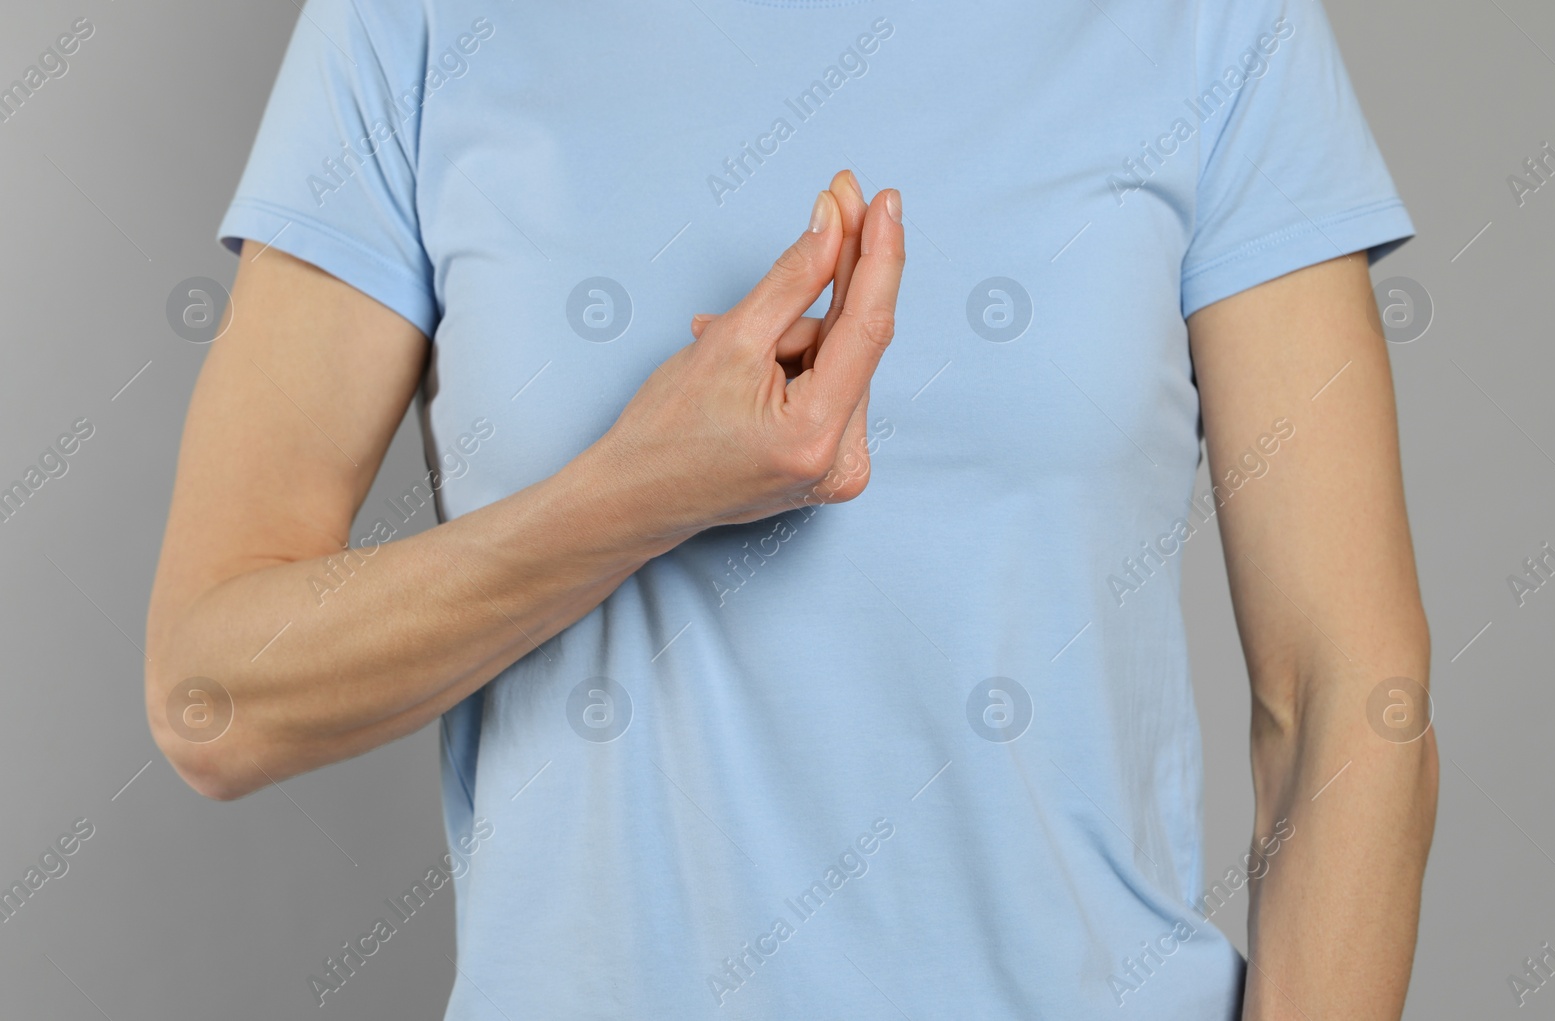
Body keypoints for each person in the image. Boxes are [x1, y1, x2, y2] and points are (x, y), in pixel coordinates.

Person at [145, 0, 1438, 1016]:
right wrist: (637, 490)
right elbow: (214, 696)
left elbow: (1344, 689)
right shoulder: (415, 20)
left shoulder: (1208, 19)